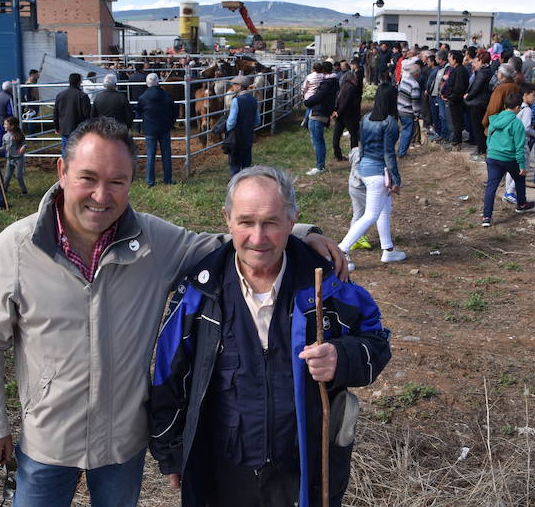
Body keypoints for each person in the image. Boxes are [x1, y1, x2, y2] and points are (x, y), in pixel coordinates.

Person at [0, 117, 347, 507]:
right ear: (62, 172)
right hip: (47, 436)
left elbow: (226, 241)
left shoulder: (152, 242)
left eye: (117, 182)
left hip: (120, 443)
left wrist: (301, 233)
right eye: (88, 178)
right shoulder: (17, 247)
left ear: (131, 181)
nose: (101, 195)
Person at [149, 166, 390, 507]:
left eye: (271, 222)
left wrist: (342, 357)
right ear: (227, 219)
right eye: (246, 222)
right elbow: (169, 374)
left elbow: (377, 343)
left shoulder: (326, 287)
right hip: (223, 472)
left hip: (304, 473)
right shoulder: (199, 292)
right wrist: (170, 451)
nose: (258, 237)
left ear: (292, 222)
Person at [337, 81, 406, 267]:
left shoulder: (366, 118)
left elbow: (362, 145)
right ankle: (341, 251)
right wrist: (396, 180)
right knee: (370, 215)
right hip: (378, 172)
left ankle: (388, 250)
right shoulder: (390, 122)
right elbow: (389, 154)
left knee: (384, 210)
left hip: (365, 168)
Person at [481, 92, 535, 227]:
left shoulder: (494, 119)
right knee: (519, 178)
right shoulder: (517, 124)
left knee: (491, 187)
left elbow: (488, 138)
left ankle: (487, 217)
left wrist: (492, 150)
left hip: (493, 157)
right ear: (517, 108)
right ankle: (521, 204)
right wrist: (522, 166)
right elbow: (519, 147)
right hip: (509, 159)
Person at [137, 73, 178, 187]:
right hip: (164, 128)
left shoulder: (143, 97)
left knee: (150, 155)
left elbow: (139, 110)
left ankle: (150, 181)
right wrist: (171, 122)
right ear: (158, 82)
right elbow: (175, 110)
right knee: (166, 154)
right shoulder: (166, 95)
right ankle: (168, 179)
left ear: (147, 83)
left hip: (150, 129)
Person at [502, 84, 535, 204]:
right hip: (522, 142)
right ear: (525, 95)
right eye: (533, 95)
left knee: (511, 168)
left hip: (511, 141)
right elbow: (526, 128)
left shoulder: (516, 108)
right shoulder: (527, 110)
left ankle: (507, 191)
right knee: (524, 168)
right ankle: (510, 192)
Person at [303, 61, 339, 175]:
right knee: (319, 140)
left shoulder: (326, 84)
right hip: (324, 112)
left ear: (323, 71)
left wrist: (307, 102)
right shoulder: (334, 82)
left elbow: (318, 97)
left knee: (318, 140)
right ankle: (320, 164)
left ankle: (320, 166)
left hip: (319, 112)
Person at [225, 75, 259, 175]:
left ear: (240, 86)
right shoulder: (253, 100)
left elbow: (231, 121)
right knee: (246, 162)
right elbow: (257, 120)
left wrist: (227, 129)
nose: (233, 87)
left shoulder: (236, 100)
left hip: (236, 136)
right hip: (248, 135)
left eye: (235, 85)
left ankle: (235, 184)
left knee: (234, 163)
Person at [53, 73, 91, 157]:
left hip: (65, 128)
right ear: (79, 82)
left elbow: (56, 113)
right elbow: (87, 114)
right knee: (78, 150)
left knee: (66, 150)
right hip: (79, 129)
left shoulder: (60, 95)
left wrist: (57, 127)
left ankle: (66, 168)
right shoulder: (83, 96)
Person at [464, 52, 492, 160]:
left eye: (477, 61)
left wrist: (467, 96)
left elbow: (476, 88)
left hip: (478, 103)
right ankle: (481, 149)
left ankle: (482, 150)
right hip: (483, 102)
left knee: (477, 128)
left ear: (481, 61)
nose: (475, 63)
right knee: (480, 127)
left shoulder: (482, 73)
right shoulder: (489, 71)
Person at [442, 50, 469, 151]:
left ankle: (456, 143)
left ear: (454, 59)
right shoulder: (456, 69)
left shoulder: (460, 70)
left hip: (456, 101)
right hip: (453, 100)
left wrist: (450, 97)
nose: (448, 59)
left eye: (450, 57)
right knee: (454, 122)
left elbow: (459, 88)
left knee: (456, 123)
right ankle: (455, 142)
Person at [396, 63, 422, 158]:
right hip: (407, 111)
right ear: (417, 74)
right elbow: (415, 101)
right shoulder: (415, 85)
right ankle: (402, 153)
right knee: (408, 132)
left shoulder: (404, 81)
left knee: (404, 131)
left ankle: (400, 149)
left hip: (400, 108)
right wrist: (416, 114)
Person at [2, 116, 28, 196]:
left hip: (18, 159)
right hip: (9, 159)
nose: (4, 126)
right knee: (7, 177)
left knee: (18, 176)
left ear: (12, 126)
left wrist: (23, 147)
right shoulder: (5, 136)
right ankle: (3, 191)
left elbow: (24, 144)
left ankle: (24, 192)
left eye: (6, 124)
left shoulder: (19, 135)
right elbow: (3, 147)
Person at [0, 81, 15, 147]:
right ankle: (7, 149)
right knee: (8, 135)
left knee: (0, 135)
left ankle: (0, 149)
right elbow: (11, 110)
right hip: (7, 120)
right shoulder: (9, 97)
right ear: (9, 88)